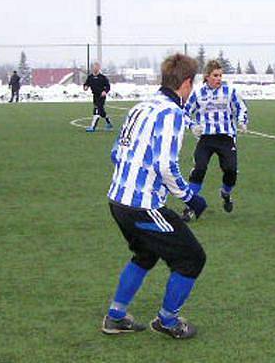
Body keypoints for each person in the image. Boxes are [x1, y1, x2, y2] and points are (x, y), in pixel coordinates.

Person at [102, 54, 208, 339]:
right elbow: (166, 166)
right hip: (142, 207)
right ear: (187, 83)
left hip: (117, 200)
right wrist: (191, 198)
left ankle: (116, 316)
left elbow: (115, 152)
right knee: (192, 258)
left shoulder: (139, 108)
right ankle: (168, 321)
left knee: (145, 254)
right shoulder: (172, 113)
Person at [182, 60, 249, 220]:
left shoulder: (230, 91)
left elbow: (241, 107)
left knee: (230, 170)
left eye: (220, 75)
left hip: (225, 138)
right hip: (205, 139)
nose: (219, 78)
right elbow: (184, 112)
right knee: (200, 169)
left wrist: (242, 121)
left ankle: (225, 193)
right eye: (215, 75)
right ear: (207, 77)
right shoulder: (197, 94)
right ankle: (190, 206)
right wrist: (191, 126)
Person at [83, 62, 113, 132]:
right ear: (92, 68)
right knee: (101, 112)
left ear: (99, 68)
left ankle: (92, 127)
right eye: (94, 67)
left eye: (97, 67)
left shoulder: (103, 77)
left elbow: (108, 86)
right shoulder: (90, 77)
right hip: (95, 96)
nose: (95, 68)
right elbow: (86, 84)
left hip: (101, 97)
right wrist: (85, 87)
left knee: (96, 110)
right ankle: (109, 123)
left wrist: (105, 91)